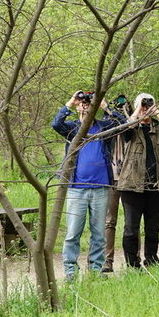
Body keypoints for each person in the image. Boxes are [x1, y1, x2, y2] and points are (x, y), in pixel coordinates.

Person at [51, 90, 124, 281]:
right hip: (76, 187)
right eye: (83, 103)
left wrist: (105, 107)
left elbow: (123, 124)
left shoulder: (104, 127)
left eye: (88, 102)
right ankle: (70, 272)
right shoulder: (73, 129)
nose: (85, 105)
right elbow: (56, 124)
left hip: (100, 187)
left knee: (98, 233)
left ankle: (96, 270)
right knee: (73, 233)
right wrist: (70, 103)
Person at [116, 93, 159, 269]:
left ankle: (152, 260)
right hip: (131, 186)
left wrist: (157, 113)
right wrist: (138, 111)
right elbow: (124, 132)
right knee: (131, 228)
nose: (146, 107)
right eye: (143, 104)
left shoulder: (158, 128)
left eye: (149, 104)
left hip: (156, 186)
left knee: (153, 227)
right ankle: (133, 264)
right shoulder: (133, 128)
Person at [103, 94, 132, 273]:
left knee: (131, 222)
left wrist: (115, 110)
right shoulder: (105, 125)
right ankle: (107, 261)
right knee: (109, 221)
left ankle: (132, 260)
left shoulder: (131, 124)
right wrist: (108, 112)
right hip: (111, 178)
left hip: (130, 178)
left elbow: (127, 125)